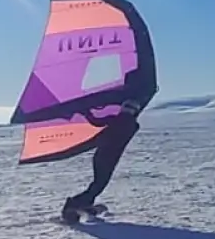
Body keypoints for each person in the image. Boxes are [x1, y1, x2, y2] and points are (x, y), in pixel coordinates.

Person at [61, 89, 153, 223]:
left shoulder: (117, 120)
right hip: (109, 158)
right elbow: (107, 122)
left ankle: (83, 204)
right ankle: (74, 204)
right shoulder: (133, 125)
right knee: (99, 184)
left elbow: (96, 121)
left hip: (103, 155)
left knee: (98, 183)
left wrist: (86, 111)